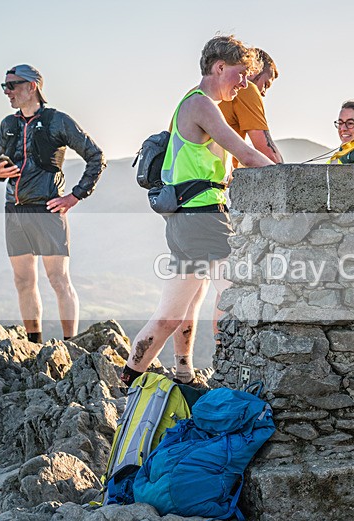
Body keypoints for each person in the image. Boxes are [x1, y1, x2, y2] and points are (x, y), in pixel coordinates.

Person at [120, 36, 274, 387]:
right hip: (205, 218)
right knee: (239, 293)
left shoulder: (187, 104)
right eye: (240, 74)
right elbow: (246, 153)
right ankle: (239, 379)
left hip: (183, 221)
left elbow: (210, 164)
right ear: (219, 67)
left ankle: (135, 379)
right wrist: (286, 178)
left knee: (172, 313)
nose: (244, 83)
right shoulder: (203, 104)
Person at [0, 64, 105, 343]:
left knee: (58, 280)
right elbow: (1, 163)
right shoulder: (8, 124)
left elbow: (96, 156)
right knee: (23, 282)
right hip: (15, 210)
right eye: (4, 86)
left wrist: (75, 195)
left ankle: (71, 346)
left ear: (32, 86)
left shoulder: (57, 121)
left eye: (13, 85)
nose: (7, 92)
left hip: (48, 209)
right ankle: (34, 343)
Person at [219, 48, 283, 165]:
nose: (263, 92)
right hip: (209, 179)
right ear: (254, 71)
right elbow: (269, 155)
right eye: (265, 84)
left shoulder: (197, 94)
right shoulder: (246, 89)